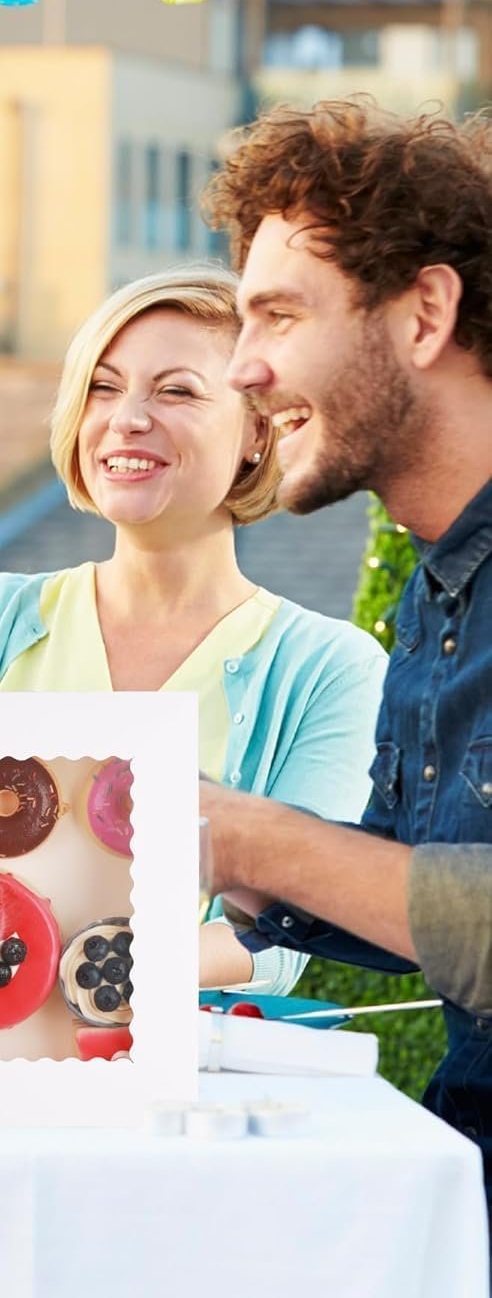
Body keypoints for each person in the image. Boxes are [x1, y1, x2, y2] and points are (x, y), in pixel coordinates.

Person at [0, 266, 386, 994]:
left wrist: (74, 975)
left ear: (258, 430)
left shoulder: (330, 669)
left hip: (185, 1080)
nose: (126, 418)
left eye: (176, 390)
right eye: (103, 386)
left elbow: (282, 939)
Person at [197, 98, 492, 1201]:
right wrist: (226, 852)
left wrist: (252, 839)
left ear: (424, 314)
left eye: (277, 316)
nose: (242, 370)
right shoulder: (437, 587)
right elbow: (418, 890)